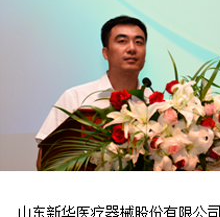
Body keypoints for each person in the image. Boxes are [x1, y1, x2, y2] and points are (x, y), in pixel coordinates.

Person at [35, 15, 148, 144]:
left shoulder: (156, 105)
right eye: (122, 41)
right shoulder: (76, 98)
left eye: (138, 42)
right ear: (105, 53)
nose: (132, 48)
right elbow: (48, 148)